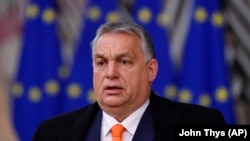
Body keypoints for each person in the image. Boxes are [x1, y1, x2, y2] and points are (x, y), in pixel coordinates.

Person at [33, 22, 226, 141]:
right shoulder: (51, 133)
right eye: (101, 63)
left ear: (151, 70)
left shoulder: (203, 125)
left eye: (124, 62)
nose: (110, 73)